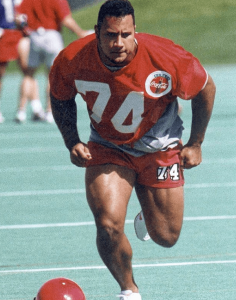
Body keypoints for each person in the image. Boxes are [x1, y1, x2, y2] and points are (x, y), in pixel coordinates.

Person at [49, 0, 216, 299]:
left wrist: (195, 143)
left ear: (135, 31)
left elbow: (205, 88)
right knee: (108, 225)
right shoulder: (72, 57)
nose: (118, 43)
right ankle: (129, 290)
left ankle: (148, 211)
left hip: (160, 145)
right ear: (97, 31)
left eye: (125, 34)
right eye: (111, 35)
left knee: (166, 236)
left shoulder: (164, 55)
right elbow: (60, 95)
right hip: (107, 146)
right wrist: (72, 140)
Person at [15, 0, 93, 123]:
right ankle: (49, 111)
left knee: (29, 75)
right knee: (52, 75)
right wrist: (79, 32)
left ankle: (21, 111)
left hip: (34, 36)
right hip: (51, 36)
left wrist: (25, 28)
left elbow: (19, 18)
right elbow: (66, 19)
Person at [0, 0, 26, 123]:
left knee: (28, 72)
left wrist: (22, 21)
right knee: (1, 74)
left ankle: (26, 109)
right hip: (3, 35)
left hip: (17, 34)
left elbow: (20, 13)